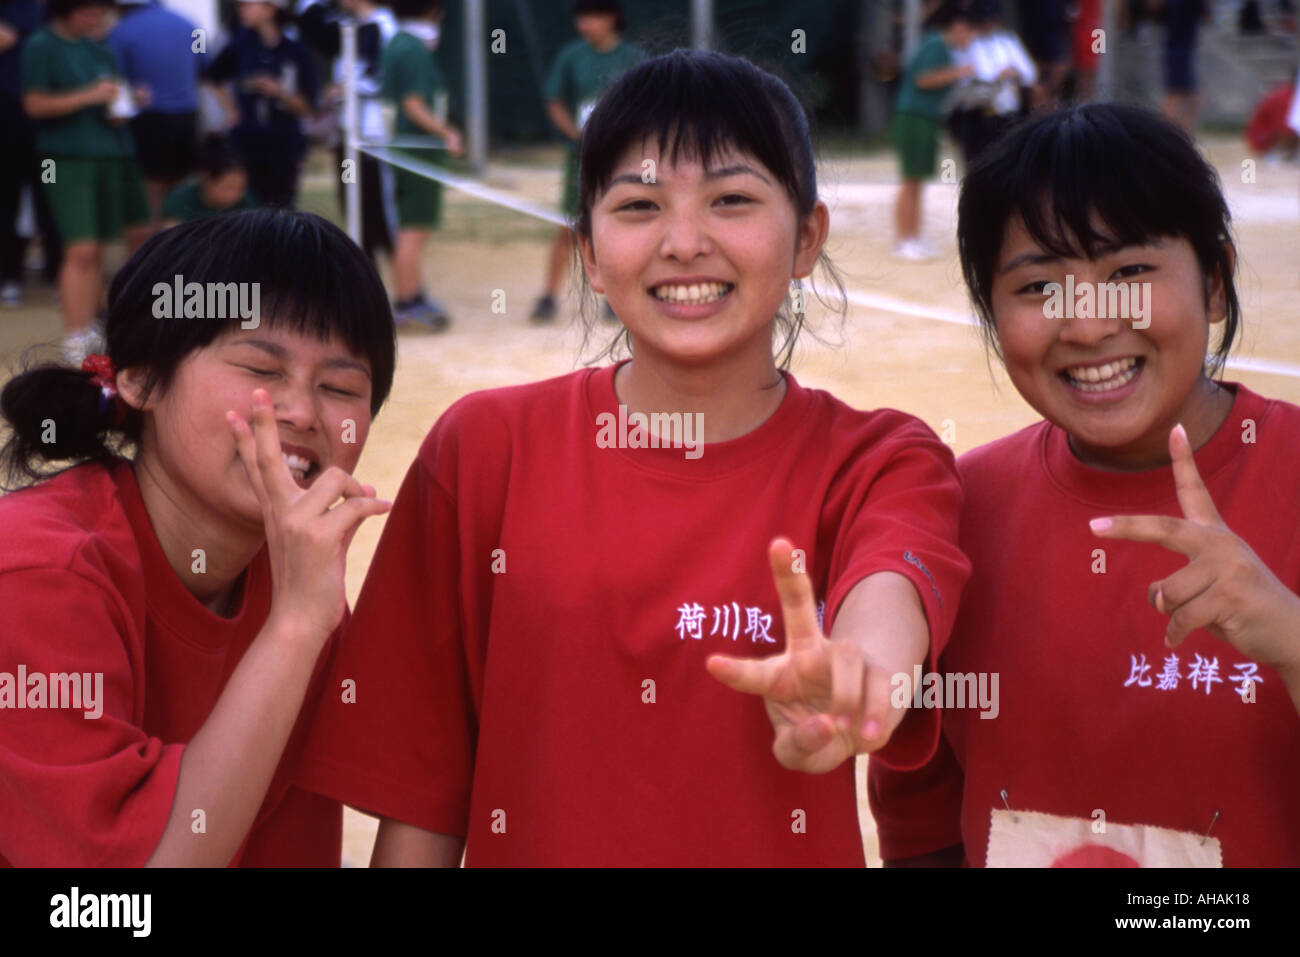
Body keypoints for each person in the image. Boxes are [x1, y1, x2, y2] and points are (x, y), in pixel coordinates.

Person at [295, 49, 970, 867]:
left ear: (807, 237)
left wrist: (858, 672)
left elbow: (890, 593)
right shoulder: (481, 452)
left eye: (732, 200)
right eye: (640, 205)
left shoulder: (883, 459)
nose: (684, 243)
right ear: (587, 249)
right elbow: (421, 801)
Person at [870, 104, 1300, 867]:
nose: (1090, 323)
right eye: (1039, 286)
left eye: (1130, 272)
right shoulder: (957, 515)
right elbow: (923, 819)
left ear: (1215, 283)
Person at [0, 208, 395, 866]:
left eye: (339, 386)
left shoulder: (294, 585)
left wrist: (298, 622)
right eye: (261, 371)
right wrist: (295, 627)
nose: (300, 411)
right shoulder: (41, 569)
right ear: (141, 378)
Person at [20, 0, 150, 363]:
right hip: (65, 159)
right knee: (81, 249)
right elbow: (34, 104)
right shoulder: (41, 45)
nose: (98, 16)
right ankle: (75, 336)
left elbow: (116, 113)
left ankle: (96, 324)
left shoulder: (98, 48)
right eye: (89, 9)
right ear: (66, 10)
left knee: (120, 241)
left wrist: (128, 102)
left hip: (113, 154)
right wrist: (90, 95)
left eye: (101, 10)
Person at [529, 0, 642, 324]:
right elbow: (554, 99)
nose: (584, 24)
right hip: (581, 157)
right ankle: (548, 296)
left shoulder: (632, 57)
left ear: (611, 19)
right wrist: (575, 134)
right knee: (569, 226)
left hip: (622, 157)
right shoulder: (572, 56)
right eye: (581, 18)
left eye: (591, 17)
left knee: (620, 226)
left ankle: (616, 296)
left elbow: (649, 101)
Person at [295, 0, 398, 265]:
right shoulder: (351, 26)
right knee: (356, 216)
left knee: (378, 219)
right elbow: (308, 21)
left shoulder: (382, 27)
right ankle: (370, 282)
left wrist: (342, 89)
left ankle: (404, 293)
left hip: (373, 139)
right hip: (350, 135)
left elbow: (376, 77)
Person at [381, 0, 462, 329]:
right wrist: (448, 132)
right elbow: (413, 104)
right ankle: (405, 302)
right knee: (412, 231)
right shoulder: (412, 49)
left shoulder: (399, 43)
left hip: (407, 149)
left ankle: (412, 296)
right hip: (416, 150)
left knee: (411, 229)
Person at [206, 0, 319, 209]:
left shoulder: (295, 52)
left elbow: (309, 107)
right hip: (246, 140)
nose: (242, 9)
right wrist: (231, 110)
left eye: (248, 4)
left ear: (270, 9)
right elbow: (212, 76)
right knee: (247, 207)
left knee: (281, 209)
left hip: (284, 143)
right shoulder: (241, 45)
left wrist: (280, 92)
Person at [107, 0, 204, 237]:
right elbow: (204, 65)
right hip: (186, 118)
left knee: (148, 198)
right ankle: (181, 256)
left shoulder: (122, 30)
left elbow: (115, 78)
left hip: (147, 121)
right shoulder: (189, 24)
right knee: (182, 194)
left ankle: (152, 259)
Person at [891, 1, 976, 260]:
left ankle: (914, 236)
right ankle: (904, 239)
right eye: (969, 31)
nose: (970, 38)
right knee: (910, 180)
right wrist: (958, 73)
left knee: (918, 181)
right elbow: (924, 79)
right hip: (914, 117)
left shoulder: (943, 47)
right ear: (958, 27)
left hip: (926, 119)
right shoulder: (936, 44)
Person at [0, 0, 63, 308]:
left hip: (48, 134)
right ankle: (8, 277)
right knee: (6, 204)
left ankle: (57, 274)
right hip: (7, 131)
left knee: (51, 200)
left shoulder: (57, 12)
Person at [161, 134, 258, 226]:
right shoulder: (180, 200)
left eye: (241, 187)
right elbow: (171, 234)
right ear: (205, 179)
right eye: (228, 187)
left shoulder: (246, 201)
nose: (236, 194)